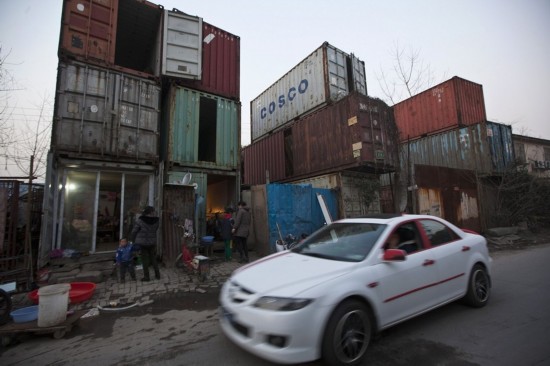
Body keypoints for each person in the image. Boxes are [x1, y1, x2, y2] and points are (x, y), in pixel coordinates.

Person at [130, 206, 160, 281]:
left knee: (144, 260)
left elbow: (134, 231)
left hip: (143, 243)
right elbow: (155, 229)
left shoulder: (140, 220)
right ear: (151, 212)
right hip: (152, 242)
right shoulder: (156, 220)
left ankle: (147, 277)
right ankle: (157, 275)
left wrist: (133, 240)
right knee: (153, 258)